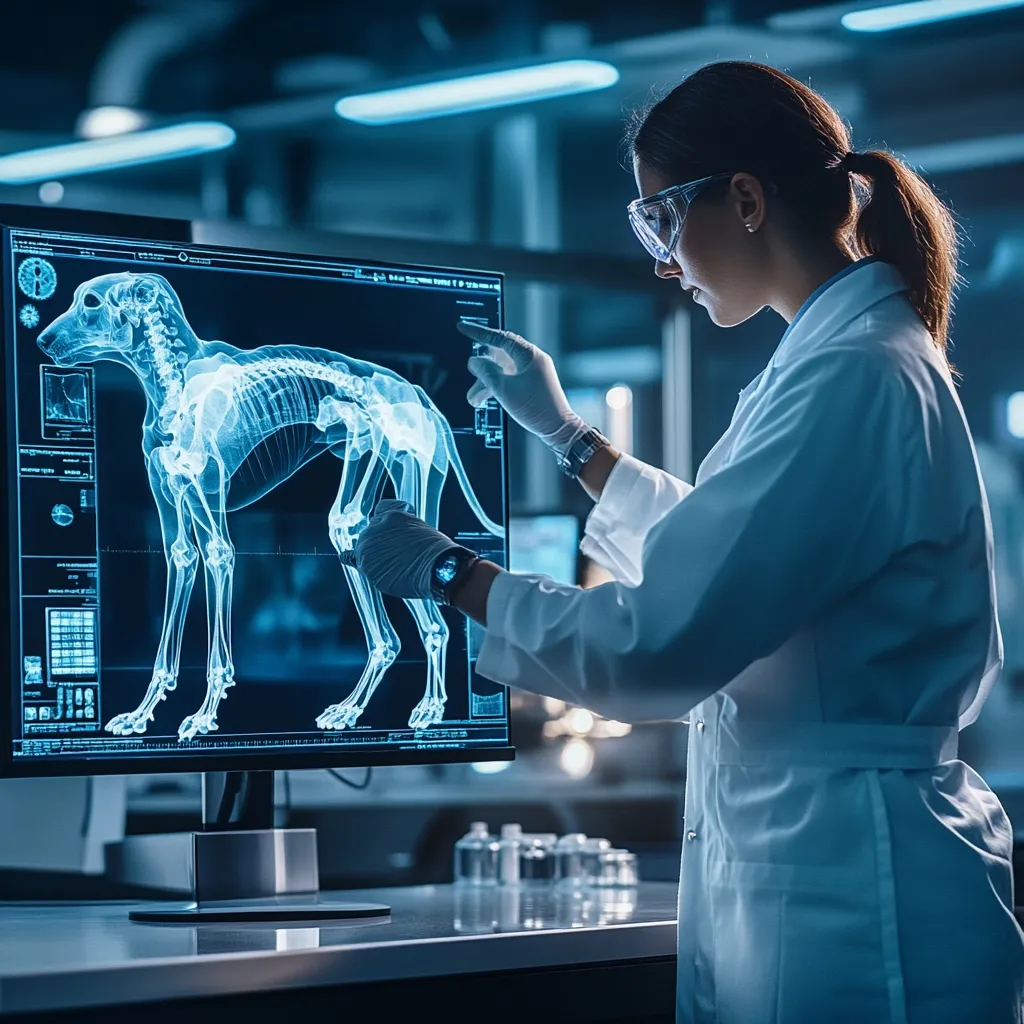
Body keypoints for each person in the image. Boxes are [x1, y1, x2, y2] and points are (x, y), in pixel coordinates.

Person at [346, 61, 1024, 1022]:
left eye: (659, 219)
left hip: (858, 899)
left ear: (745, 198)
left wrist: (452, 575)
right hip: (826, 862)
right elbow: (734, 568)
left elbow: (660, 644)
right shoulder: (838, 365)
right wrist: (571, 442)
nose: (662, 260)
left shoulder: (851, 379)